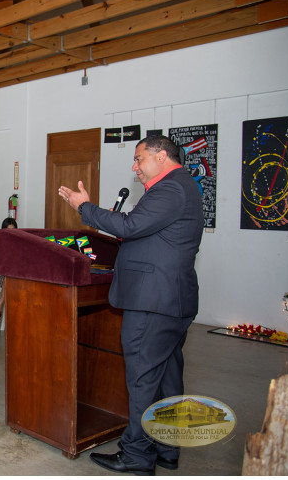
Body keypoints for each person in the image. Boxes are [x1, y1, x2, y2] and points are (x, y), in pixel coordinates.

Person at [58, 135, 203, 475]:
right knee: (167, 378)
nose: (134, 166)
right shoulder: (182, 186)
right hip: (170, 299)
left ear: (162, 156)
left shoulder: (169, 188)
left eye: (139, 158)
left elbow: (130, 225)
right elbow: (144, 232)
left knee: (142, 378)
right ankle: (166, 449)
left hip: (153, 301)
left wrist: (84, 208)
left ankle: (137, 455)